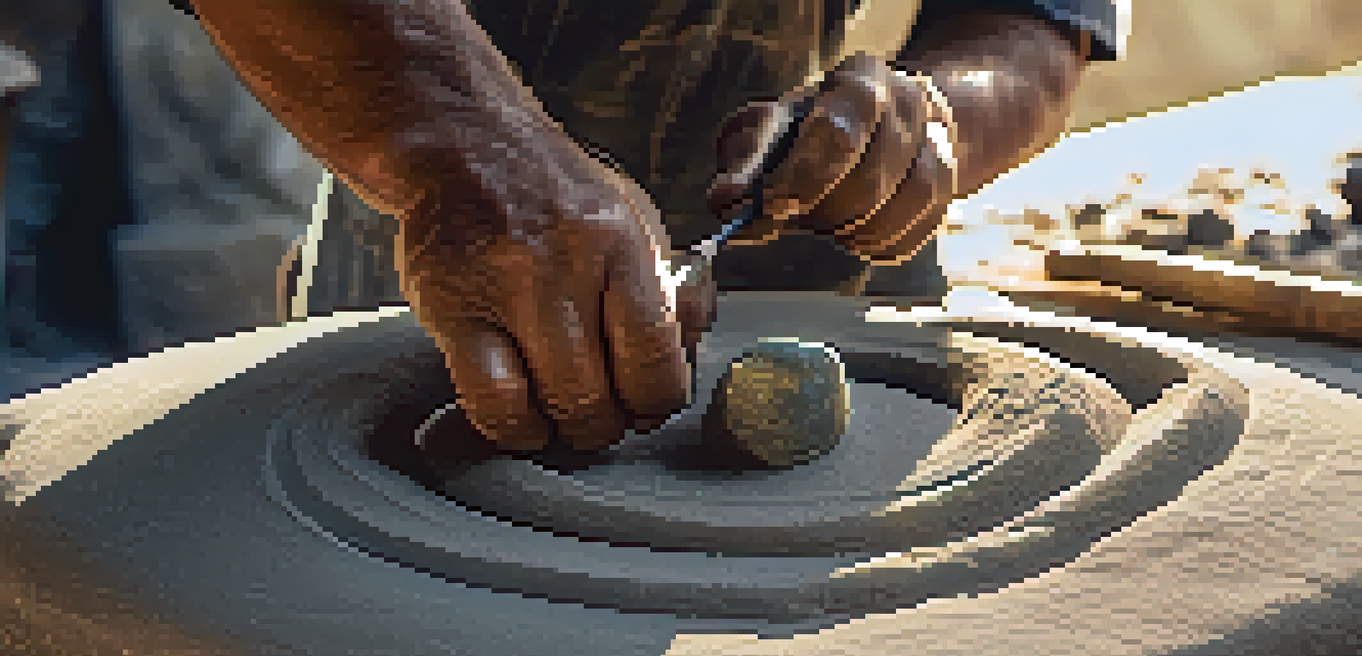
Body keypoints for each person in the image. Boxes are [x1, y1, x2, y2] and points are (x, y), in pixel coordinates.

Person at [182, 0, 1123, 455]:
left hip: (803, 253)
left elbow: (1033, 28)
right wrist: (459, 136)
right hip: (436, 238)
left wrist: (934, 121)